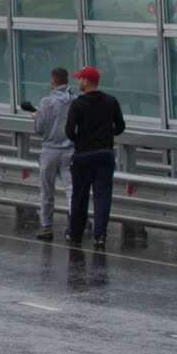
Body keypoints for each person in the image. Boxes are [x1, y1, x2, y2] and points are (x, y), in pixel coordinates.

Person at [64, 65, 126, 247]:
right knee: (103, 196)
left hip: (83, 155)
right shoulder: (111, 101)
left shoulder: (77, 104)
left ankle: (76, 234)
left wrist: (80, 140)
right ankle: (100, 235)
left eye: (80, 79)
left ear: (87, 81)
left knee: (80, 196)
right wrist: (106, 135)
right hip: (105, 154)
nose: (78, 81)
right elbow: (121, 127)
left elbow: (69, 131)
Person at [24, 68, 76, 241]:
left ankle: (47, 228)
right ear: (66, 81)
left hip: (49, 151)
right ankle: (74, 225)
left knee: (47, 191)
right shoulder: (75, 100)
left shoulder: (46, 102)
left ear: (53, 82)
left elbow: (39, 129)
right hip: (70, 150)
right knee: (72, 191)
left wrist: (36, 117)